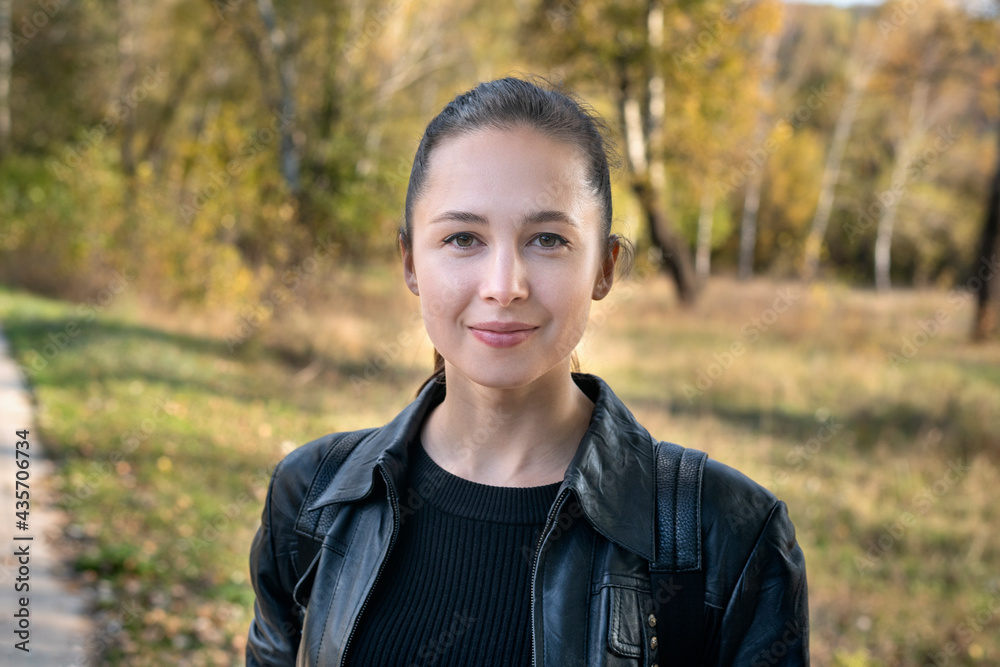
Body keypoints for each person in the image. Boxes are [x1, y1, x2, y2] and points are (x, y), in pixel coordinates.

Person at [246, 76, 809, 666]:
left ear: (605, 268)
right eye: (463, 238)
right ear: (410, 262)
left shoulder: (727, 537)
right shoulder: (314, 498)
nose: (504, 286)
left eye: (547, 239)